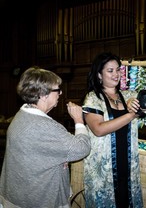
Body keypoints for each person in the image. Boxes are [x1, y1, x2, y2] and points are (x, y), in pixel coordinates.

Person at [0, 66, 91, 208]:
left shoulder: (22, 114)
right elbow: (82, 149)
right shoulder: (44, 126)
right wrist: (79, 121)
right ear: (43, 94)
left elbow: (36, 153)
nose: (60, 93)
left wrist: (60, 157)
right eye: (57, 90)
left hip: (17, 194)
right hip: (38, 200)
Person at [82, 52, 146, 208]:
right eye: (110, 70)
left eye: (118, 70)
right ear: (99, 74)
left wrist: (140, 102)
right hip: (103, 168)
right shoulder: (93, 98)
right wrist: (132, 114)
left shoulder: (127, 95)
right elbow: (98, 129)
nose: (116, 74)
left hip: (127, 164)